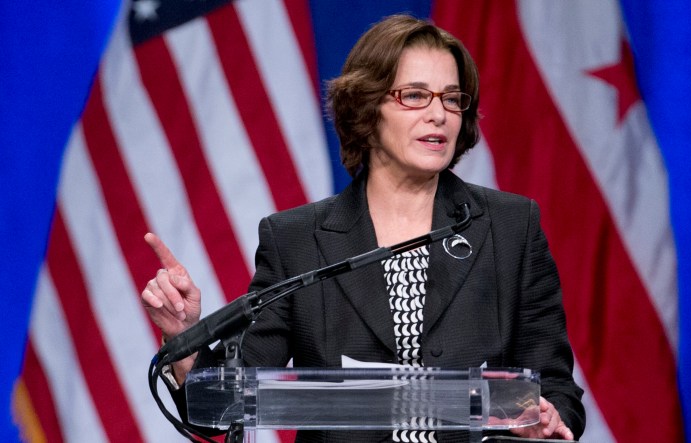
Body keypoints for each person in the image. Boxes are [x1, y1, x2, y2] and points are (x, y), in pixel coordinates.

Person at [142, 14, 586, 442]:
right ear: (367, 109)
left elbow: (556, 388)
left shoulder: (510, 228)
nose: (439, 114)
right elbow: (227, 406)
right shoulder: (297, 240)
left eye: (452, 99)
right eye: (415, 95)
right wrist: (184, 337)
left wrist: (546, 417)